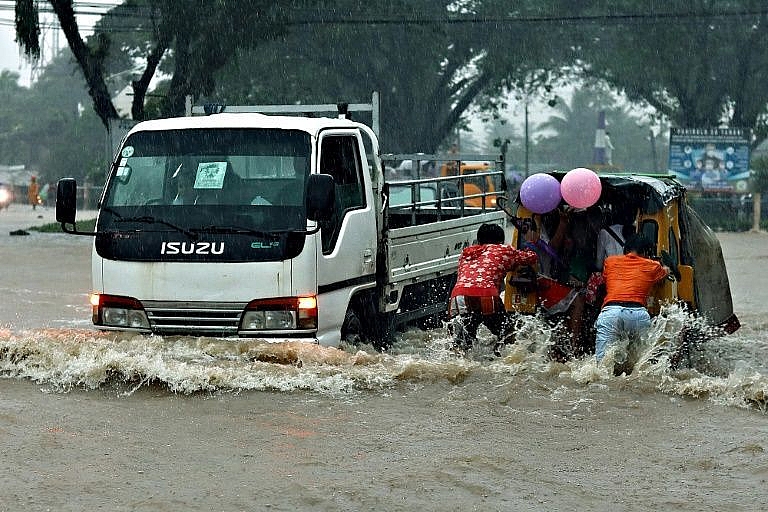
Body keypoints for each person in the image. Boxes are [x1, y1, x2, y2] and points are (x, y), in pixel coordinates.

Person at [448, 223, 537, 353]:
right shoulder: (503, 250)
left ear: (479, 241)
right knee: (507, 333)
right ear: (501, 241)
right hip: (486, 295)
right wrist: (530, 242)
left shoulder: (466, 253)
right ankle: (502, 360)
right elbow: (532, 257)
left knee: (462, 343)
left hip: (459, 296)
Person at [594, 233, 669, 368]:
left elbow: (607, 279)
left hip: (611, 312)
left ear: (625, 249)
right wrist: (667, 267)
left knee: (602, 366)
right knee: (640, 365)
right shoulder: (653, 265)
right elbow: (665, 273)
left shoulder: (610, 262)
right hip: (638, 315)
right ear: (645, 252)